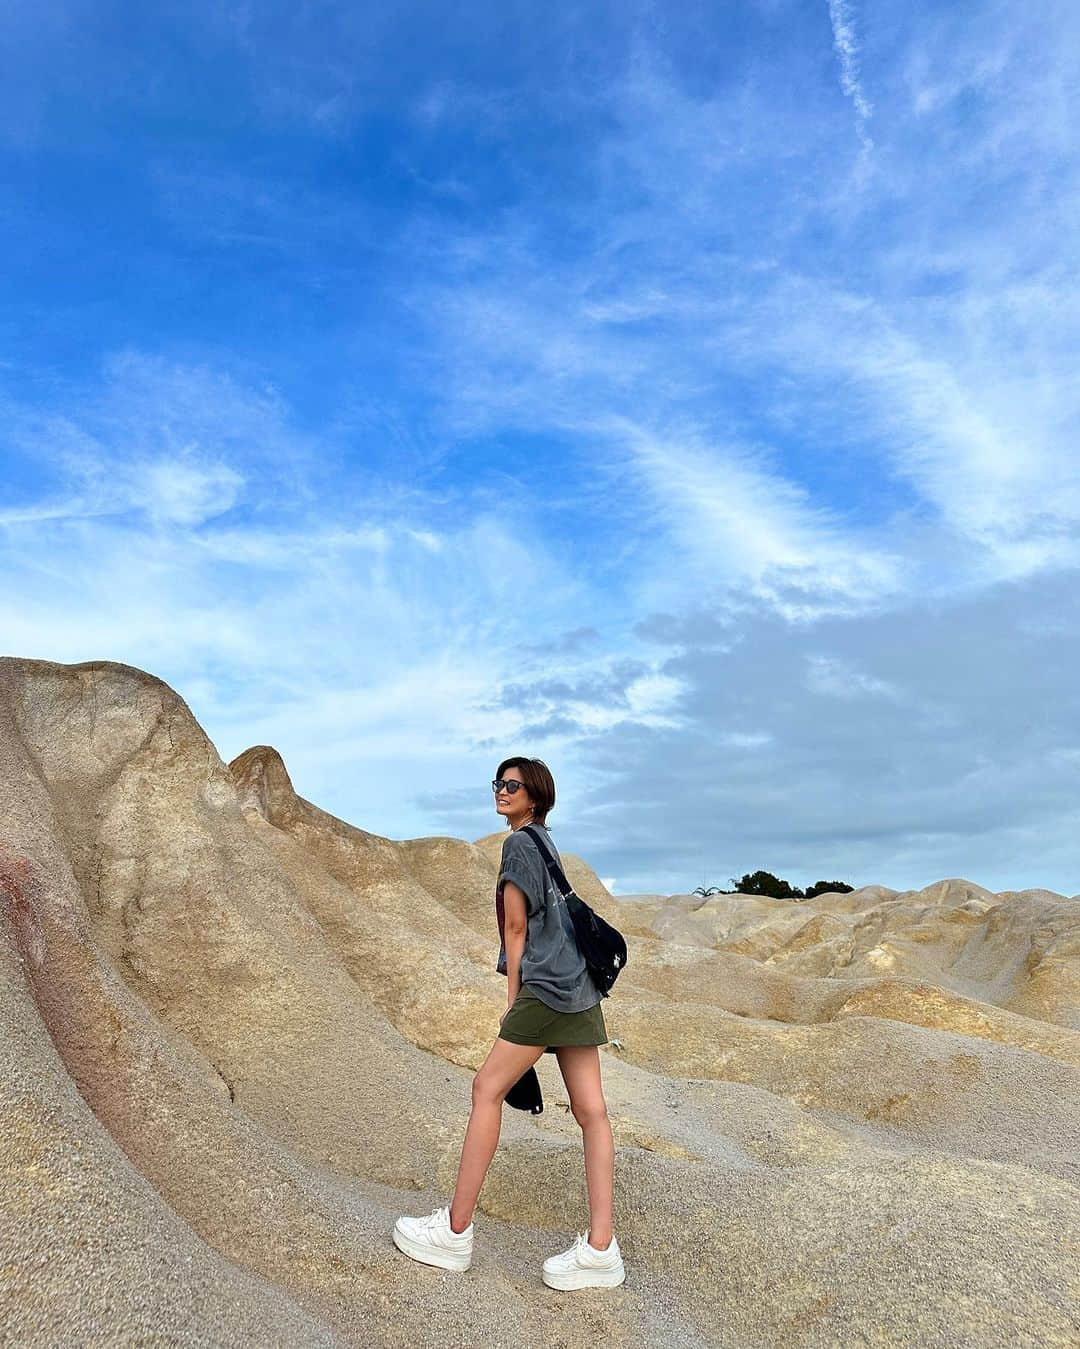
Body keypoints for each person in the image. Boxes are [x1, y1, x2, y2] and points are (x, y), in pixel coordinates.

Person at [392, 756, 625, 1290]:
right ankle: (600, 1248)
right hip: (581, 989)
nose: (501, 791)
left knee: (486, 1089)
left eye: (511, 785)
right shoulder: (546, 843)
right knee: (592, 1112)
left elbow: (517, 925)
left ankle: (453, 1233)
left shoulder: (519, 843)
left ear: (534, 795)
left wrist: (512, 997)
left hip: (544, 987)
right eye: (498, 783)